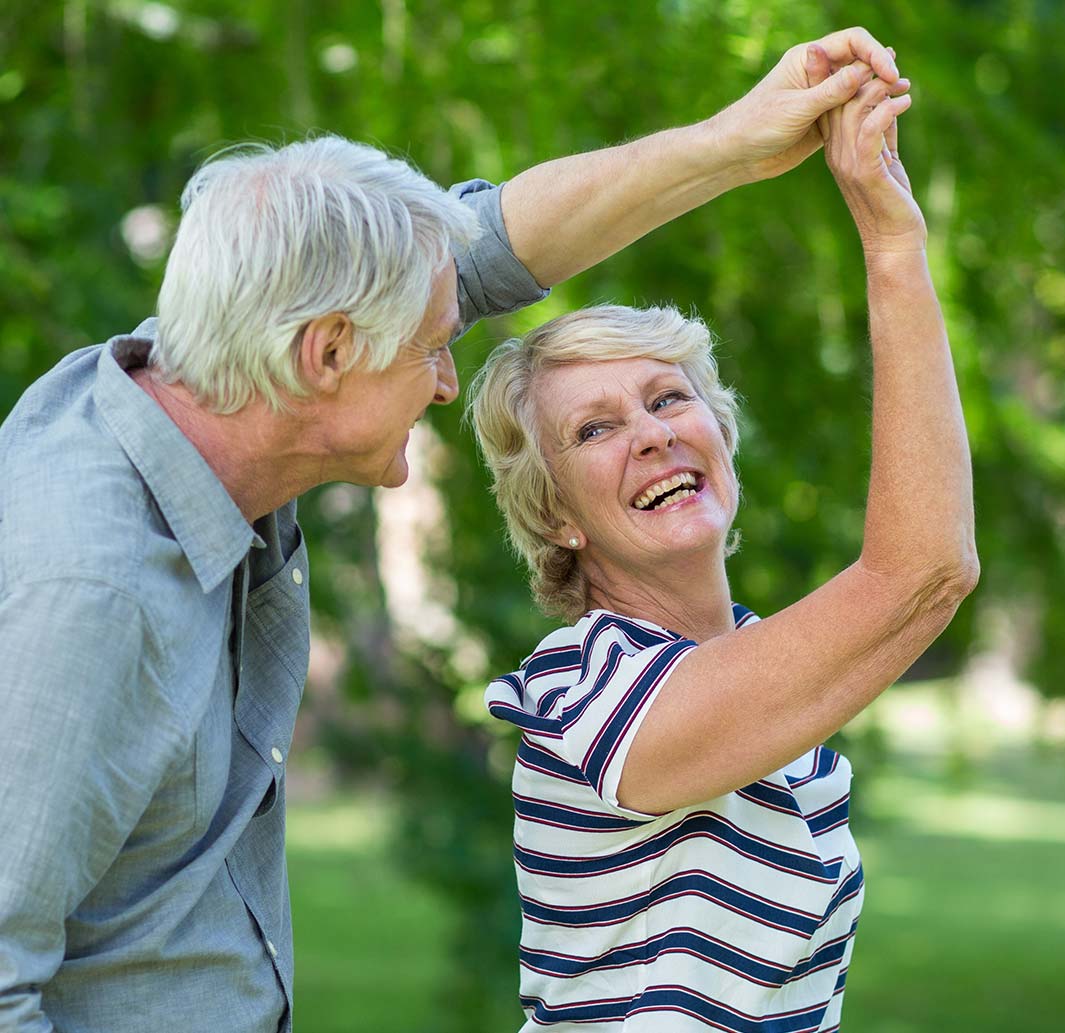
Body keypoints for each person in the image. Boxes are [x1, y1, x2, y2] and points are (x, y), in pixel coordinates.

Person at [0, 29, 905, 1032]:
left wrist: (732, 141)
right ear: (329, 353)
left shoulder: (211, 376)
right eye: (434, 348)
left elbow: (477, 254)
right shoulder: (88, 593)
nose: (445, 381)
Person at [467, 59, 977, 1032]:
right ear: (557, 514)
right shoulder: (584, 685)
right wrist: (889, 243)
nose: (652, 432)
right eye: (595, 429)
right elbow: (923, 570)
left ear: (720, 435)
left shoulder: (759, 674)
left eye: (667, 399)